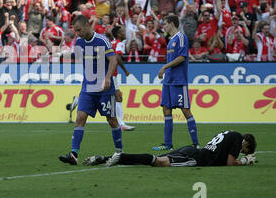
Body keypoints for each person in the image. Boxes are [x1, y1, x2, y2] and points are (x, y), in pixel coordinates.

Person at [58, 15, 123, 165]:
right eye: (75, 31)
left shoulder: (102, 40)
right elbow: (77, 56)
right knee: (80, 118)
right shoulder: (79, 42)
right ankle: (74, 154)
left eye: (79, 30)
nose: (78, 33)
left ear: (87, 26)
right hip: (87, 87)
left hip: (105, 88)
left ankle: (120, 152)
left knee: (112, 120)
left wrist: (107, 78)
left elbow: (113, 60)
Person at [83, 130, 257, 168]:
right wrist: (244, 161)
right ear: (246, 144)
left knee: (156, 158)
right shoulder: (238, 138)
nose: (241, 152)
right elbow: (229, 162)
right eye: (244, 151)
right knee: (159, 162)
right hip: (197, 158)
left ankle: (103, 159)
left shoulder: (227, 133)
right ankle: (120, 157)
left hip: (191, 150)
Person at [153, 15, 199, 151]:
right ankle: (168, 144)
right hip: (168, 81)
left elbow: (182, 57)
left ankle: (196, 143)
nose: (164, 27)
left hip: (179, 80)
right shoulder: (171, 40)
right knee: (166, 109)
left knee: (185, 110)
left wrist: (164, 67)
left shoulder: (181, 37)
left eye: (165, 24)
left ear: (172, 24)